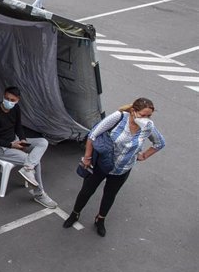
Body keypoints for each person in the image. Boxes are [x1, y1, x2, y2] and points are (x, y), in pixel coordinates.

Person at [63, 98, 165, 236]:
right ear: (134, 112)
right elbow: (93, 135)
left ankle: (100, 219)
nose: (146, 118)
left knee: (110, 195)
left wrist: (144, 155)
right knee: (87, 190)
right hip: (102, 164)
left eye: (149, 116)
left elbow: (159, 143)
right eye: (143, 115)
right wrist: (87, 158)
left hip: (122, 169)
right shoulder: (119, 117)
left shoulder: (148, 127)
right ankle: (75, 214)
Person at [0, 86, 58, 208]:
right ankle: (39, 194)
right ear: (3, 96)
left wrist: (23, 140)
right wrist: (11, 145)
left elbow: (18, 126)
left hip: (16, 142)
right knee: (36, 162)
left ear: (18, 100)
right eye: (6, 98)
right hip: (2, 148)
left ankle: (28, 169)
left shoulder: (16, 109)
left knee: (43, 142)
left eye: (12, 100)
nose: (9, 101)